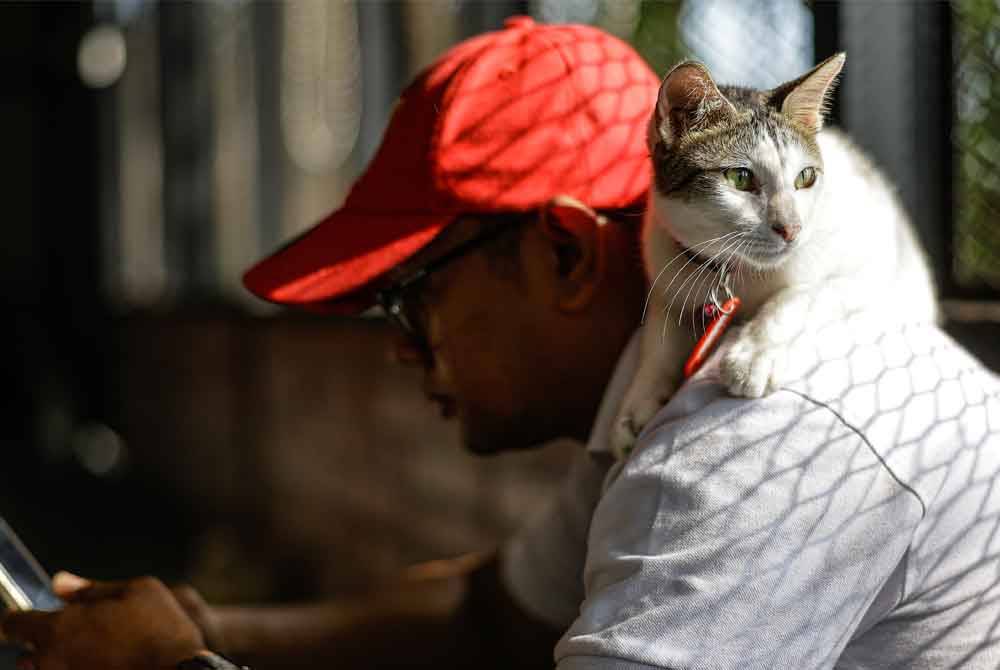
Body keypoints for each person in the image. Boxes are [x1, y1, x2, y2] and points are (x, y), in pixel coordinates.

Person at [5, 16, 1000, 670]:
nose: (401, 347)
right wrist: (205, 623)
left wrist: (168, 667)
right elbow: (486, 611)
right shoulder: (655, 401)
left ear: (565, 254)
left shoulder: (751, 439)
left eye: (410, 298)